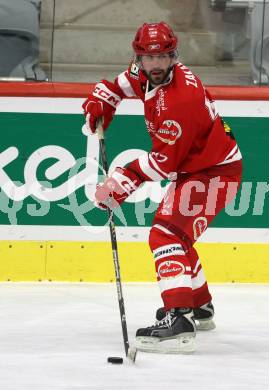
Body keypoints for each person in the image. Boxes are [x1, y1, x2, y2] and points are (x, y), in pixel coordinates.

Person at [82, 22, 242, 354]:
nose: (155, 64)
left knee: (166, 235)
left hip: (214, 172)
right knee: (177, 234)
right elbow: (118, 86)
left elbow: (163, 165)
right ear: (138, 57)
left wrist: (121, 182)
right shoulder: (145, 72)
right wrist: (103, 102)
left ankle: (179, 319)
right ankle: (200, 306)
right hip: (199, 167)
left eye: (163, 57)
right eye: (147, 57)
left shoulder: (180, 101)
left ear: (173, 56)